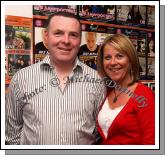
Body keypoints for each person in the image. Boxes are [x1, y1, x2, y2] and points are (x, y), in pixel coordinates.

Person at [5, 12, 105, 145]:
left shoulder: (97, 81)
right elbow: (12, 134)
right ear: (46, 37)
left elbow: (99, 133)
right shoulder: (21, 79)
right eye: (58, 33)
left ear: (80, 39)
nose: (66, 40)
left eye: (73, 35)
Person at [96, 34, 155, 145]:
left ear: (131, 59)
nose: (113, 62)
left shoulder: (144, 95)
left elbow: (151, 142)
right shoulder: (108, 91)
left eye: (119, 56)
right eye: (108, 57)